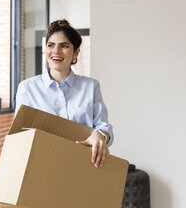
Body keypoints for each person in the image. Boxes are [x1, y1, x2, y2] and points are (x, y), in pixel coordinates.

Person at [15, 19, 113, 168]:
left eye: (64, 46)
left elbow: (103, 125)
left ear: (76, 52)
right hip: (42, 166)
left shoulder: (91, 86)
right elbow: (19, 136)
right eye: (50, 45)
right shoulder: (27, 88)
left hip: (82, 166)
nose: (56, 51)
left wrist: (100, 135)